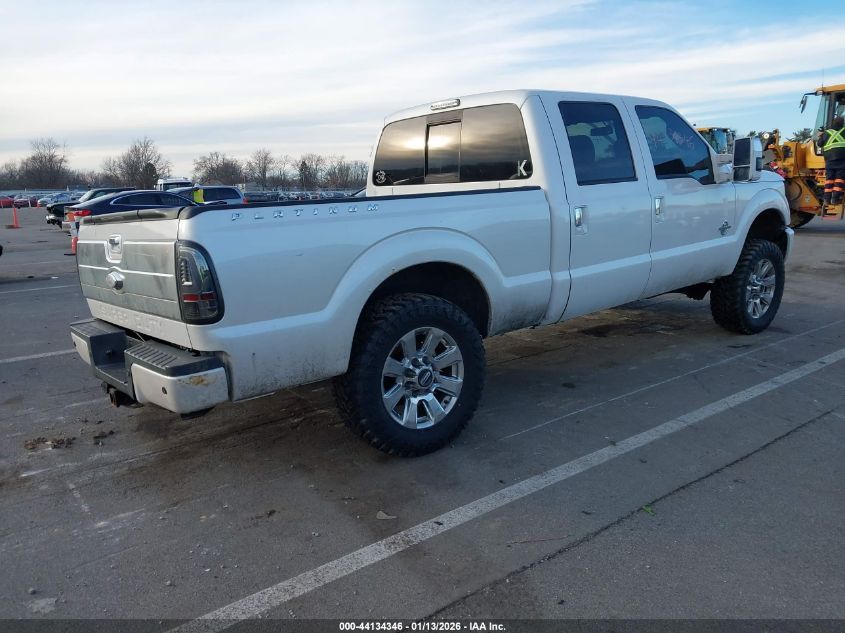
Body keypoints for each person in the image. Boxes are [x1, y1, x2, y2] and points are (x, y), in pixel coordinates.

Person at [820, 115, 845, 206]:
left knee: (829, 180)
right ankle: (834, 199)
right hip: (842, 160)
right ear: (842, 123)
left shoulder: (827, 132)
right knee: (839, 179)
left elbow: (819, 144)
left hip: (829, 161)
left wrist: (821, 136)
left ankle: (826, 200)